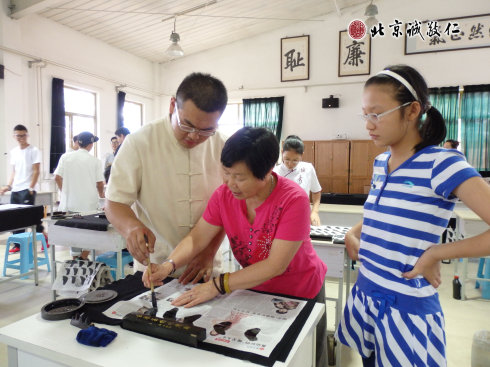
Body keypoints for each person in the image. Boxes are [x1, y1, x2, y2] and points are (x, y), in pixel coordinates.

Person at [336, 64, 490, 367]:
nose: (368, 124)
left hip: (406, 307)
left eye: (376, 114)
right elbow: (384, 213)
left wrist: (437, 253)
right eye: (365, 114)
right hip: (367, 291)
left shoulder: (442, 163)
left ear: (412, 110)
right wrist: (354, 232)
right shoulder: (381, 162)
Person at [142, 127, 327, 367]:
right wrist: (169, 264)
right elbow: (198, 237)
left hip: (299, 291)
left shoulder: (293, 199)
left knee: (301, 357)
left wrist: (217, 286)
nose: (230, 183)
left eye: (240, 177)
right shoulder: (223, 196)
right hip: (251, 289)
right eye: (226, 173)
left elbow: (275, 265)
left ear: (267, 171)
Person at [105, 72, 229, 282]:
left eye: (206, 130)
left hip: (206, 265)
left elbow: (229, 207)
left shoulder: (223, 147)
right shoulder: (140, 143)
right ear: (172, 105)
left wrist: (209, 252)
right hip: (156, 266)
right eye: (187, 125)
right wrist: (131, 227)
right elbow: (114, 202)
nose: (194, 136)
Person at [54, 132, 105, 260]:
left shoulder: (65, 158)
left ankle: (76, 258)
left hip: (70, 204)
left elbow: (57, 177)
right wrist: (102, 198)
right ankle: (83, 257)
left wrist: (64, 192)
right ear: (91, 144)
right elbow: (100, 184)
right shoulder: (95, 162)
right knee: (92, 232)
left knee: (74, 232)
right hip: (89, 205)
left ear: (78, 142)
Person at [0, 124, 44, 253]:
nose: (21, 138)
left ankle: (43, 238)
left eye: (23, 135)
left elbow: (36, 171)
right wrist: (8, 186)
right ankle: (18, 244)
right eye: (18, 136)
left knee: (29, 218)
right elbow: (14, 172)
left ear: (27, 135)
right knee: (14, 217)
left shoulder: (34, 150)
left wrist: (31, 187)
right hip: (16, 189)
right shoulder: (14, 152)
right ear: (14, 136)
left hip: (27, 189)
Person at [273, 135, 322, 225]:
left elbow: (316, 192)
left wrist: (315, 212)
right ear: (282, 152)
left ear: (302, 155)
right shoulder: (275, 172)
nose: (290, 164)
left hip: (302, 216)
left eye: (295, 160)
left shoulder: (308, 168)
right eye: (287, 159)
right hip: (280, 218)